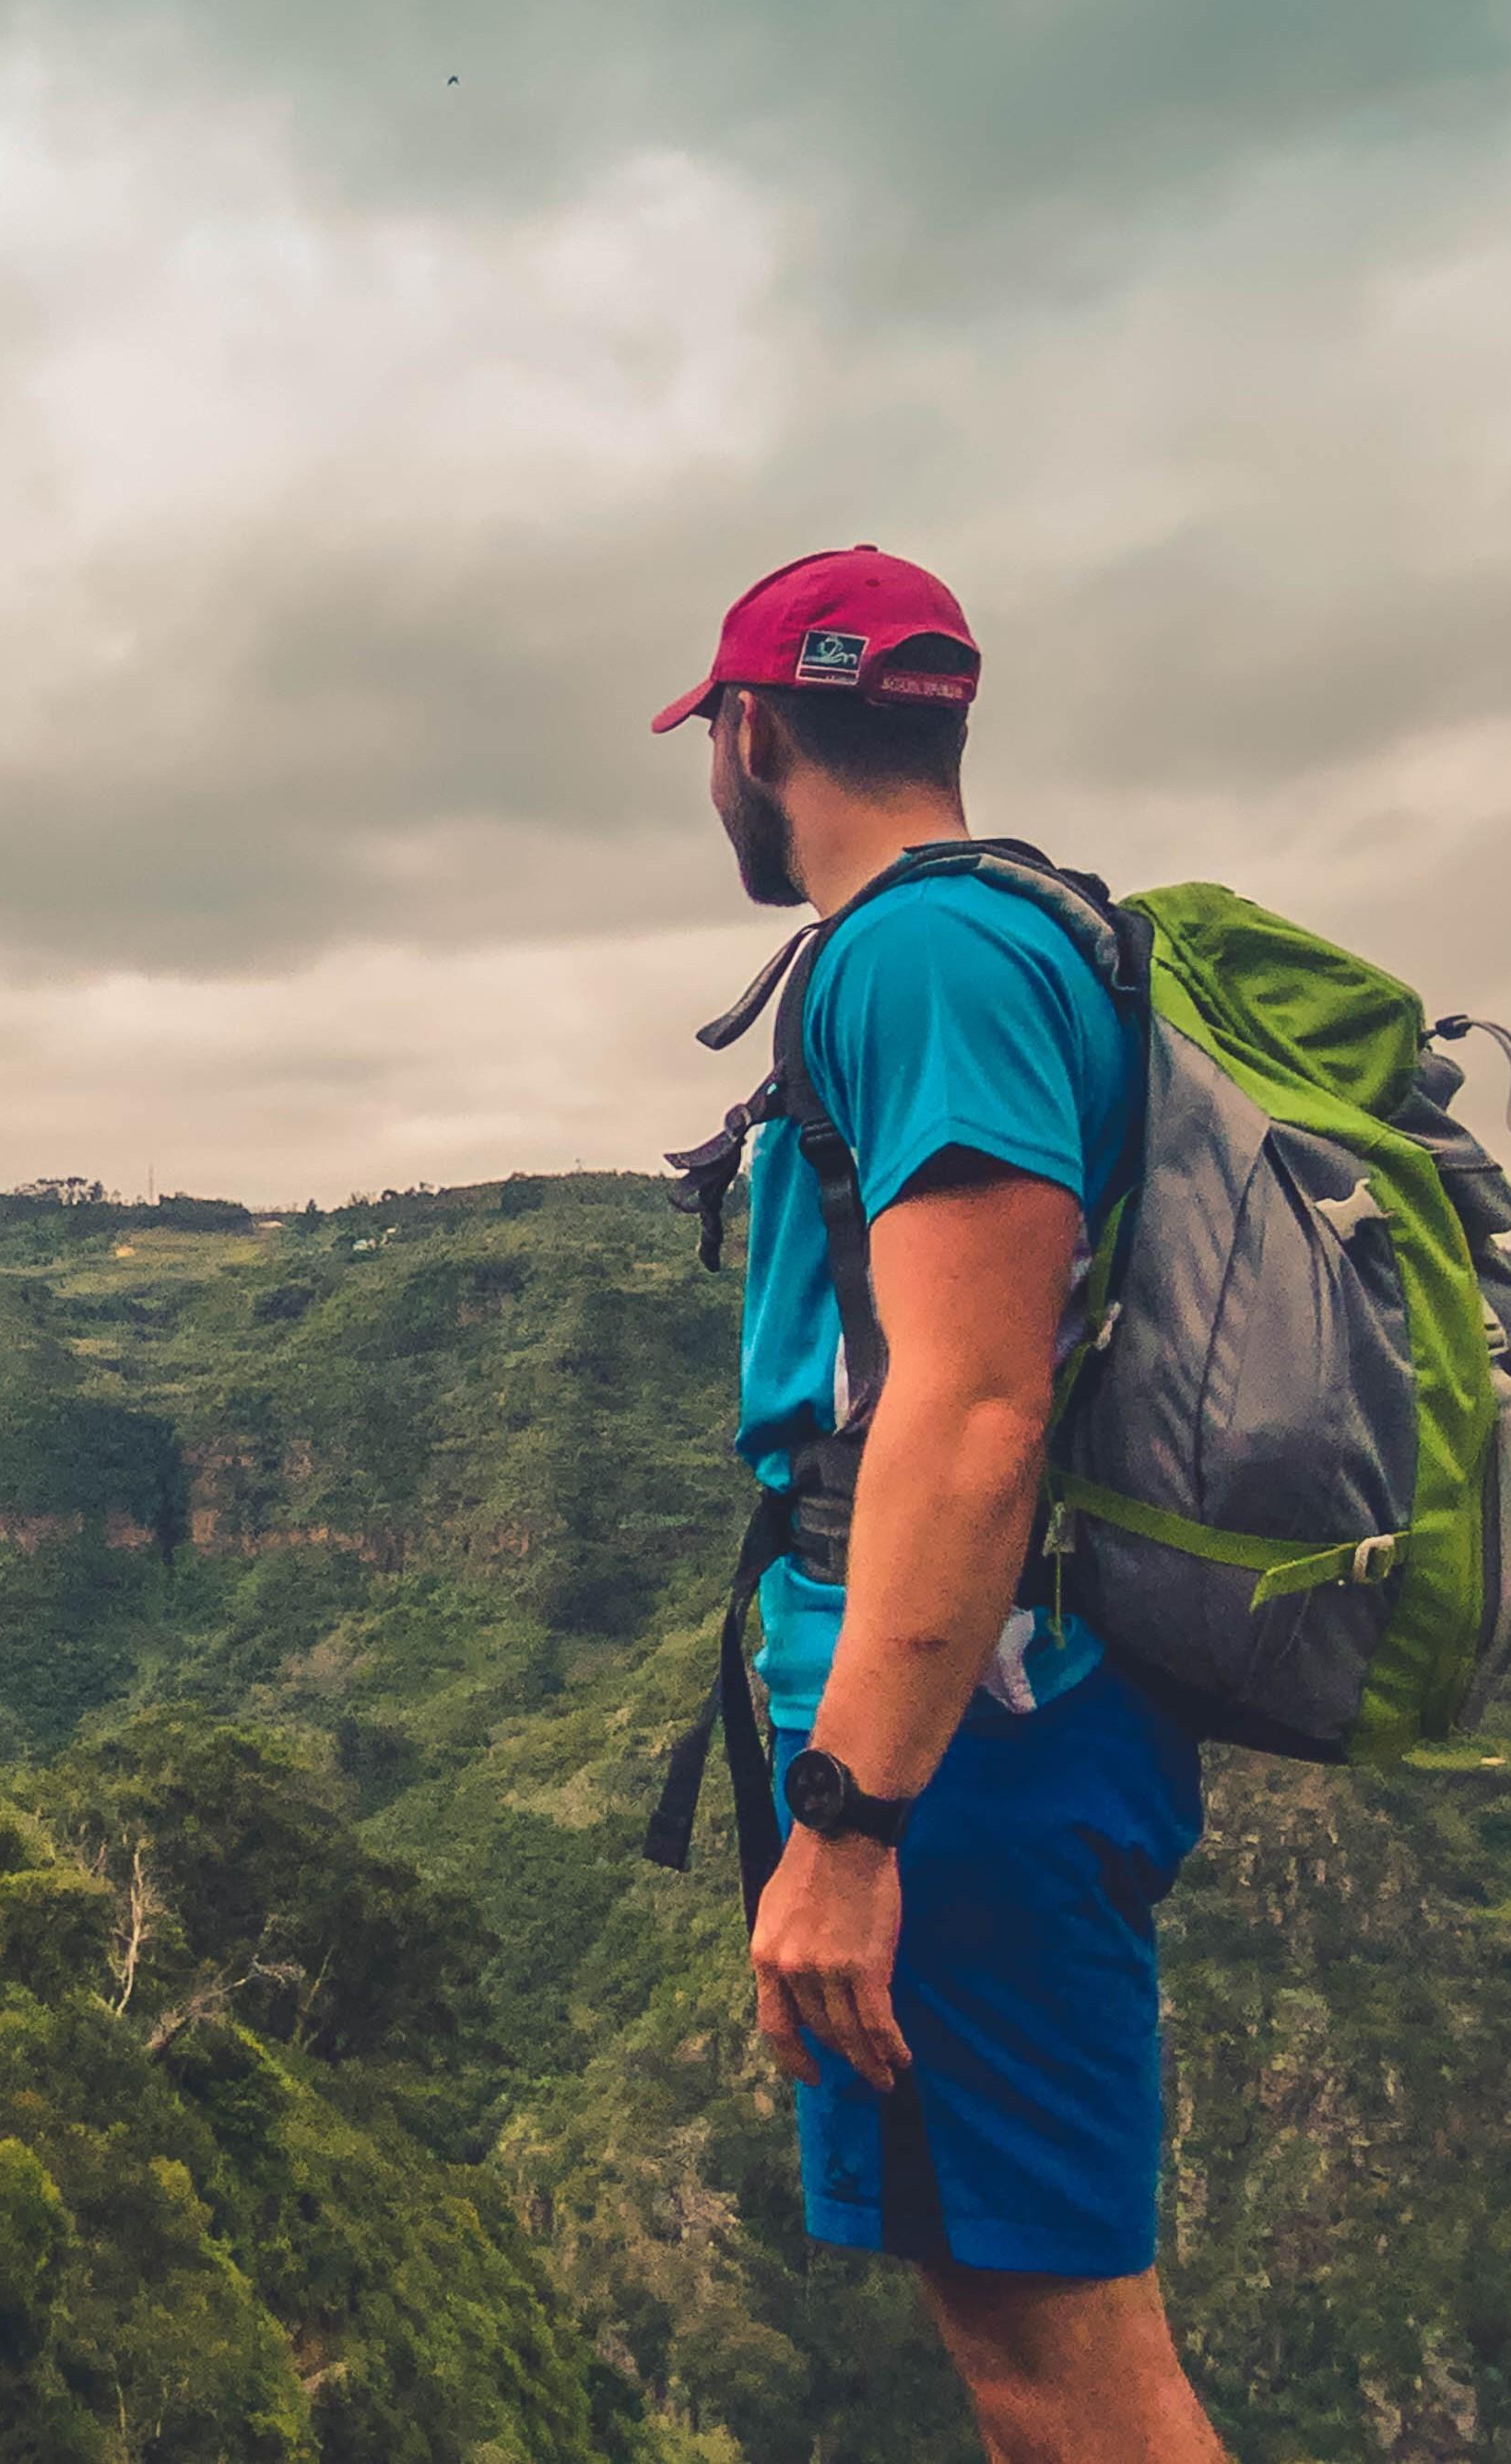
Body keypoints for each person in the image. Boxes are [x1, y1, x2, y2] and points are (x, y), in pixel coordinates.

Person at [648, 548, 1230, 2464]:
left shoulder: (922, 957)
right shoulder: (1016, 934)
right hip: (991, 1717)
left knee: (1065, 2374)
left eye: (715, 741)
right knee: (1015, 2349)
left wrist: (847, 1824)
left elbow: (973, 1414)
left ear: (749, 731)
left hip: (967, 1739)